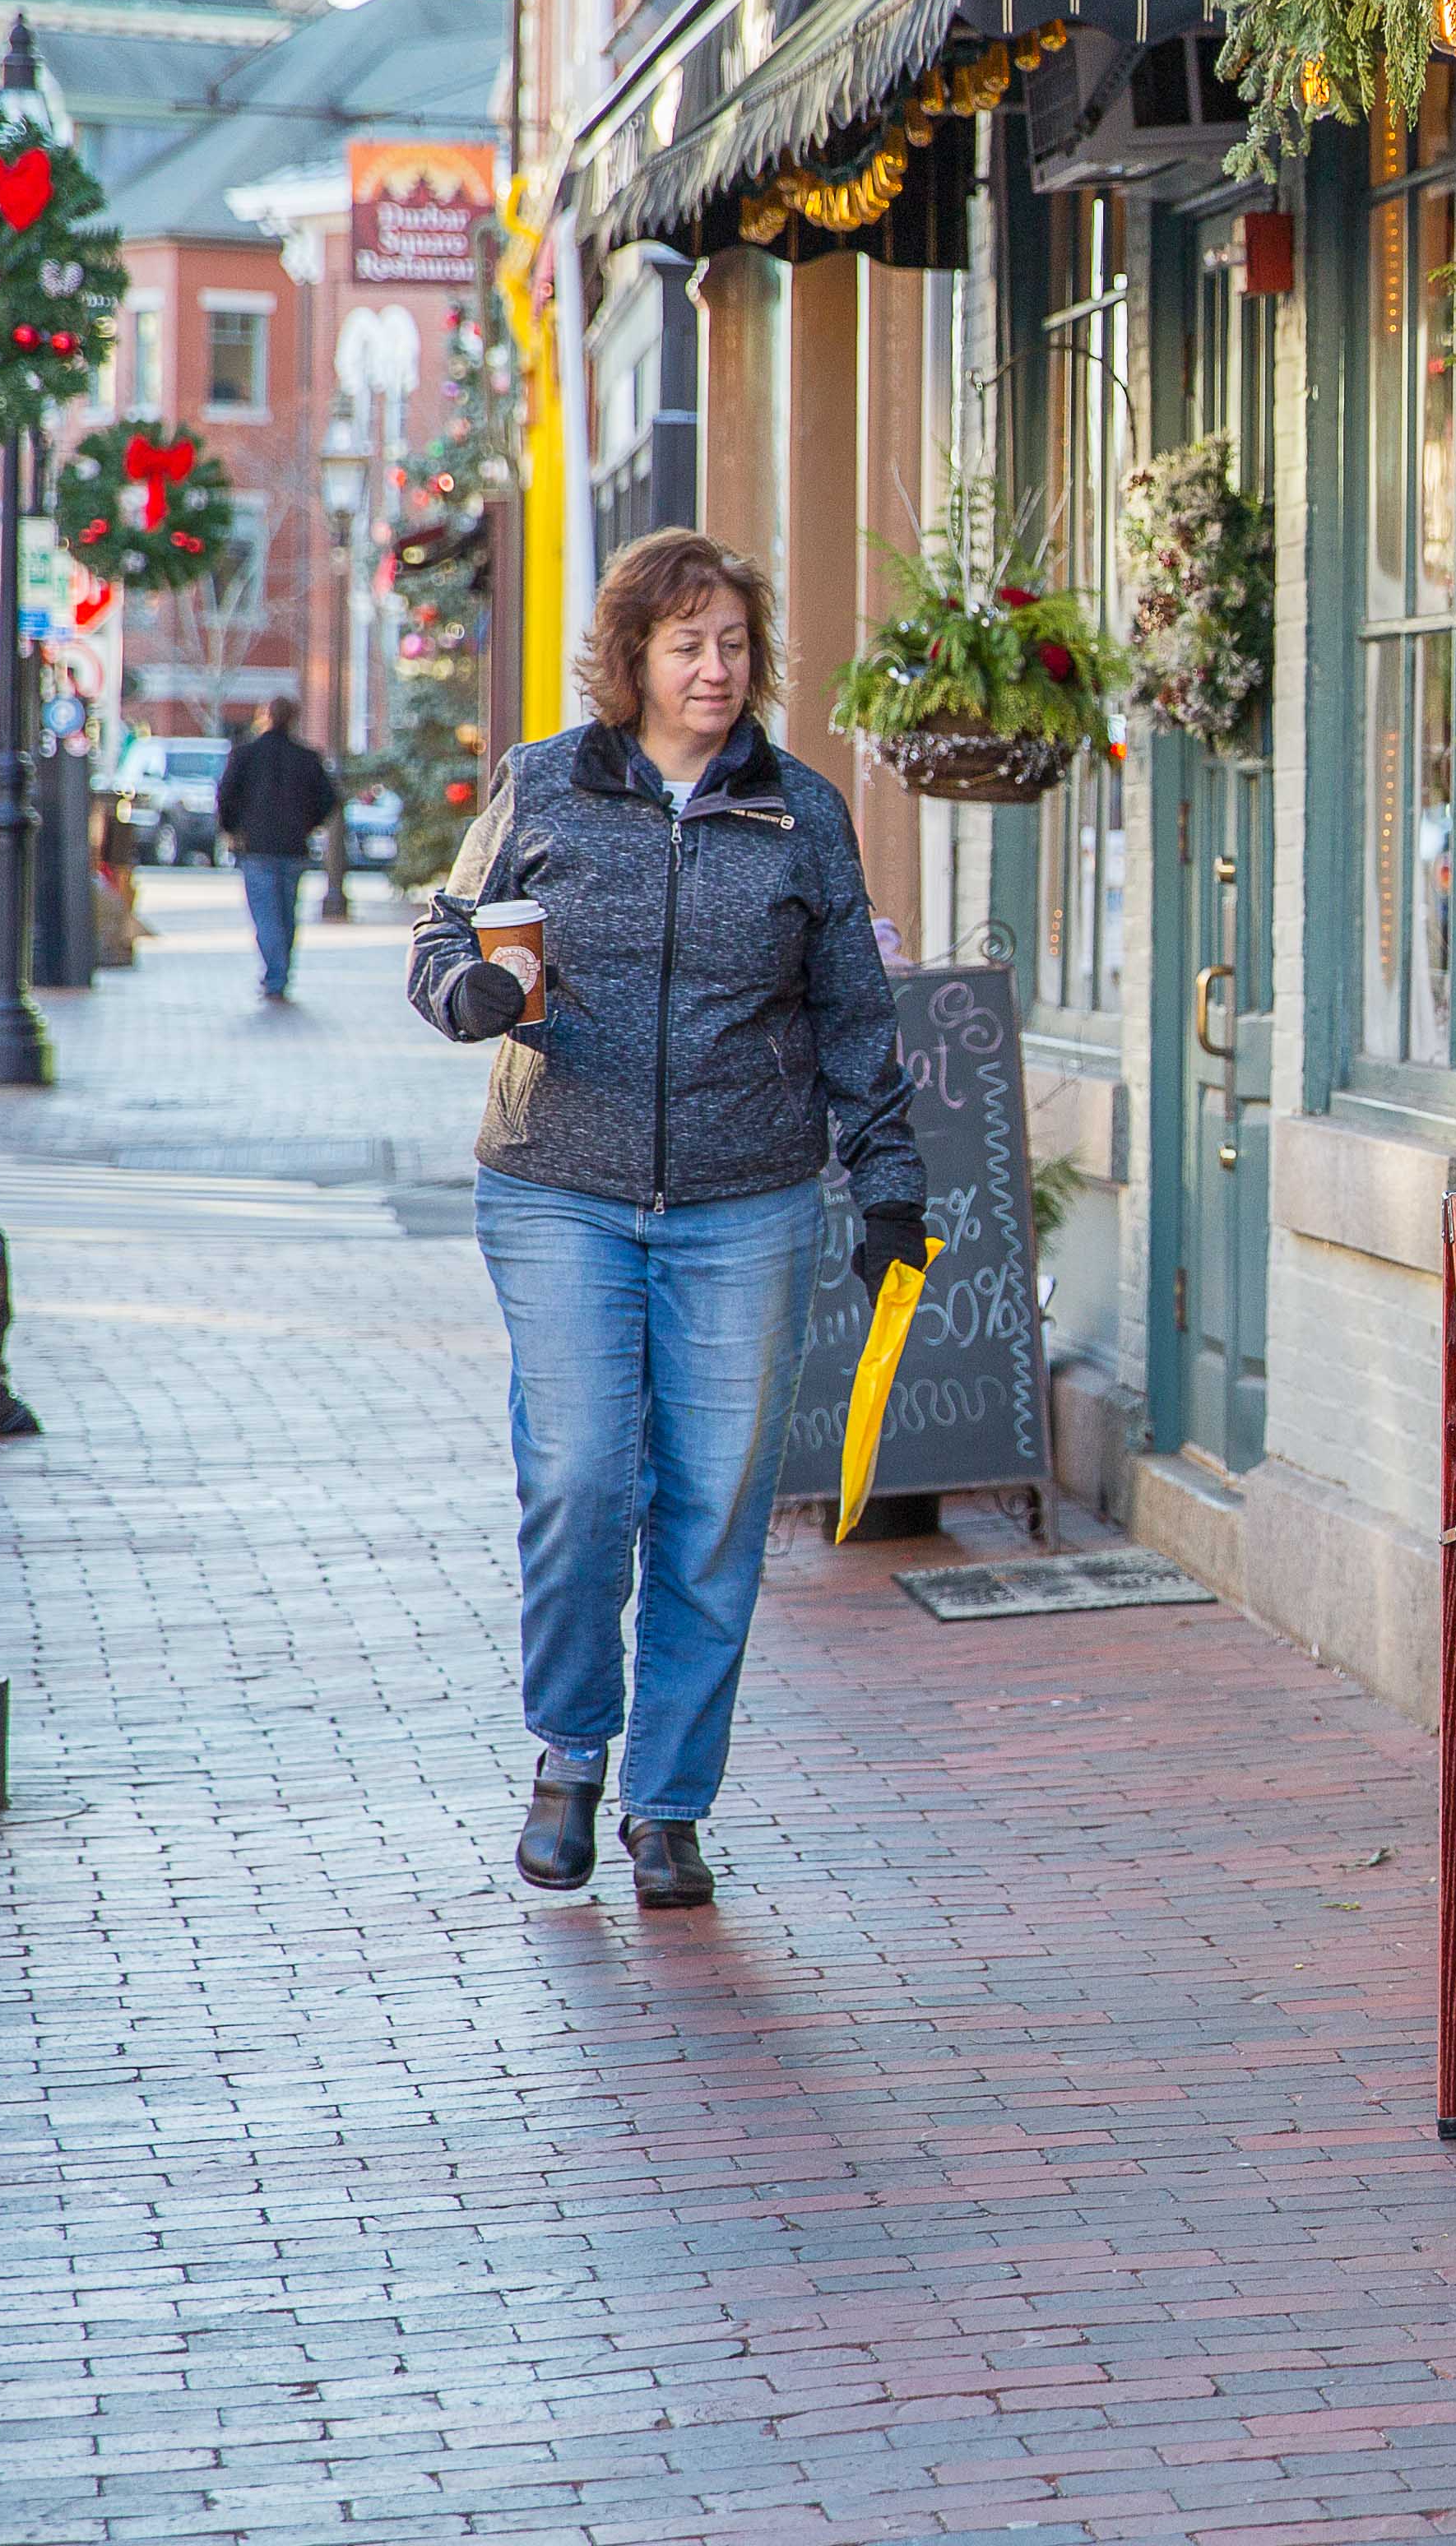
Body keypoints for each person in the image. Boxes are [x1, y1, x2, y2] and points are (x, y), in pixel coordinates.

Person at [406, 529, 929, 1908]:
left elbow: (855, 1019)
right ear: (631, 658)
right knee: (582, 1476)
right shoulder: (545, 788)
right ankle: (571, 1752)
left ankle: (668, 1807)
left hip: (746, 1201)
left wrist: (888, 1189)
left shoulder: (800, 812)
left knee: (713, 1509)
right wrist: (468, 994)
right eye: (688, 644)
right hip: (557, 1185)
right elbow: (446, 935)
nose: (716, 668)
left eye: (735, 645)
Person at [214, 697, 340, 1002]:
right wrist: (308, 824)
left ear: (266, 717)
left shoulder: (246, 755)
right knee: (286, 913)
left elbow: (226, 795)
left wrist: (233, 829)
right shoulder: (307, 758)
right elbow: (329, 799)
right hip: (294, 848)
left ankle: (276, 975)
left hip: (256, 847)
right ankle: (280, 972)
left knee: (267, 915)